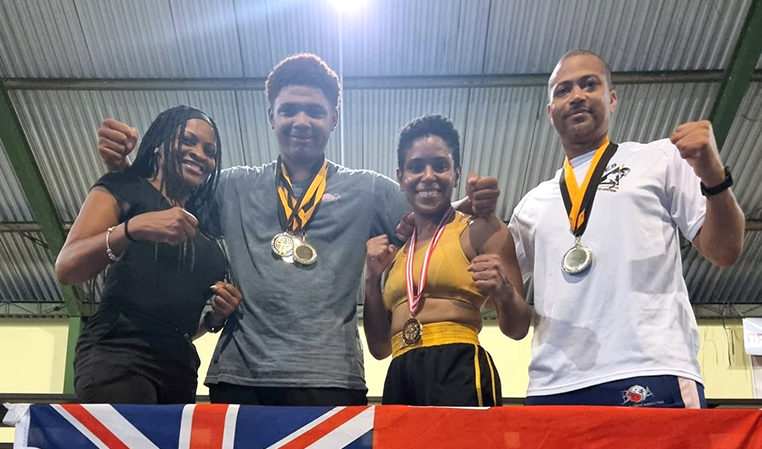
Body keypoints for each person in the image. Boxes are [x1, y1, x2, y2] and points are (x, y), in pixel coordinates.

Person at [96, 55, 500, 407]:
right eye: (289, 110)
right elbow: (162, 205)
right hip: (240, 375)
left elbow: (433, 213)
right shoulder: (231, 186)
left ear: (333, 119)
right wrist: (123, 166)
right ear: (271, 115)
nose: (301, 121)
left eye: (315, 111)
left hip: (331, 378)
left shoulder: (368, 189)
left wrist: (474, 203)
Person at [509, 50, 745, 408]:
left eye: (589, 84)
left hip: (649, 367)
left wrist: (714, 176)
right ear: (550, 111)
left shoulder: (660, 158)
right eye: (563, 90)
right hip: (552, 385)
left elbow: (725, 251)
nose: (576, 96)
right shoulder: (531, 205)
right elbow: (497, 293)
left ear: (612, 98)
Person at [56, 105, 242, 404]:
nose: (200, 154)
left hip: (180, 367)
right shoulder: (125, 187)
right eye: (187, 140)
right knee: (126, 436)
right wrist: (132, 229)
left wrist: (213, 320)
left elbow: (173, 320)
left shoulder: (203, 225)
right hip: (119, 353)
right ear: (158, 144)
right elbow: (67, 268)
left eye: (210, 151)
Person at [364, 115, 530, 406]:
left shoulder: (481, 230)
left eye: (440, 166)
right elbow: (379, 349)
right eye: (416, 167)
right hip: (399, 371)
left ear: (456, 174)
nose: (428, 176)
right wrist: (370, 280)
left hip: (459, 364)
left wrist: (504, 292)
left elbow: (517, 330)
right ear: (401, 178)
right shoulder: (397, 252)